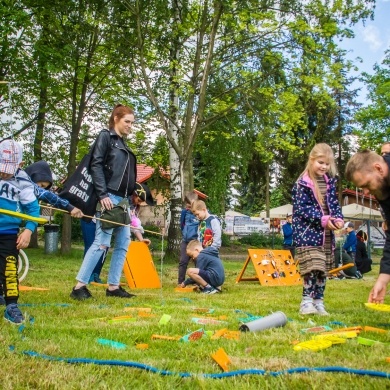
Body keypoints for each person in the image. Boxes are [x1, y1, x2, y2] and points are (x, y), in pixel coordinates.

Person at [70, 104, 138, 300]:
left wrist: (131, 203)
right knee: (101, 242)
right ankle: (79, 287)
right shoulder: (105, 137)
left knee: (124, 242)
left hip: (123, 202)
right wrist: (102, 194)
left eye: (132, 123)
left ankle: (114, 287)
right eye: (127, 122)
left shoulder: (123, 144)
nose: (129, 126)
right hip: (109, 197)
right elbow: (96, 164)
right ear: (116, 119)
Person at [292, 143, 344, 315]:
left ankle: (318, 301)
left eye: (327, 164)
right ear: (312, 160)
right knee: (312, 267)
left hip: (325, 235)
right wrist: (323, 219)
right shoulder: (303, 184)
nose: (324, 166)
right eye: (320, 162)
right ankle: (306, 301)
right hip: (308, 234)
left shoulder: (330, 183)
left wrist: (337, 219)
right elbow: (303, 209)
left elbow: (334, 205)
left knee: (322, 270)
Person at [0, 139, 40, 323]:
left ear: (20, 164)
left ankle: (11, 305)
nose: (3, 173)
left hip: (9, 231)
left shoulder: (23, 181)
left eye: (7, 169)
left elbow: (33, 209)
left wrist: (28, 230)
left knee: (9, 267)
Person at [345, 149, 390, 303]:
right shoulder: (383, 191)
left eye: (366, 184)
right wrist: (383, 280)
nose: (365, 193)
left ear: (379, 168)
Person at [86, 182, 154, 283]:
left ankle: (96, 275)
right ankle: (87, 276)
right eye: (139, 200)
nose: (139, 203)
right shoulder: (120, 199)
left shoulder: (131, 208)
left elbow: (133, 224)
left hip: (108, 226)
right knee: (94, 248)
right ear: (134, 195)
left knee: (104, 249)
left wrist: (141, 239)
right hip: (93, 221)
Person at [178, 191, 199, 286]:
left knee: (198, 261)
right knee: (183, 261)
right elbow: (182, 225)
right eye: (187, 205)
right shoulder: (184, 213)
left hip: (196, 242)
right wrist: (185, 234)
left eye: (190, 206)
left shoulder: (199, 213)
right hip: (185, 241)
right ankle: (180, 282)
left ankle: (198, 281)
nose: (188, 207)